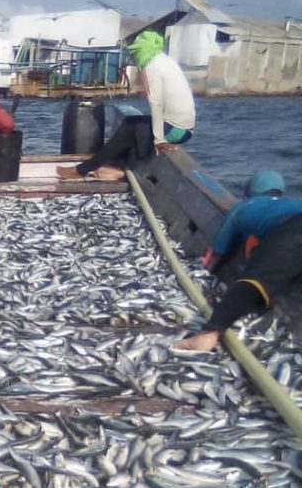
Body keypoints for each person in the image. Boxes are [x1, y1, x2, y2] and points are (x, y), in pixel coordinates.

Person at [173, 169, 302, 352]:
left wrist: (207, 269)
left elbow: (217, 252)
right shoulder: (292, 203)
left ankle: (207, 334)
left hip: (290, 231)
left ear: (248, 193)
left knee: (255, 282)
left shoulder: (243, 207)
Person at [57, 30, 195, 181]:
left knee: (131, 128)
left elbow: (156, 104)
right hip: (186, 129)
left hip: (176, 130)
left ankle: (82, 170)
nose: (135, 58)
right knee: (131, 122)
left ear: (141, 50)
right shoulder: (164, 60)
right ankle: (115, 167)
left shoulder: (151, 65)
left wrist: (159, 140)